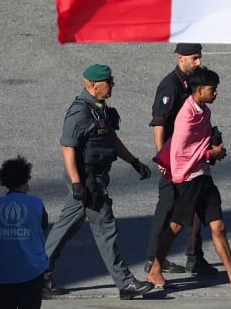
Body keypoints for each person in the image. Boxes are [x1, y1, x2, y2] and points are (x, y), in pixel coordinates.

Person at [147, 67, 231, 292]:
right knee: (175, 226)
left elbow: (199, 144)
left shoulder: (204, 111)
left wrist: (212, 148)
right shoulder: (186, 116)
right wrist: (211, 154)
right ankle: (154, 270)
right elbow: (179, 152)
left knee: (218, 225)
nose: (216, 93)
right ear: (199, 90)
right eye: (213, 89)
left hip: (203, 176)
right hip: (188, 179)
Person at [43, 64, 154, 300]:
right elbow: (68, 147)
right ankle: (125, 284)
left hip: (94, 177)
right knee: (105, 228)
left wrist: (134, 162)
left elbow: (111, 139)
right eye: (109, 81)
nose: (112, 84)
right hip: (86, 179)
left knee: (66, 227)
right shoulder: (80, 112)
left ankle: (39, 274)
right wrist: (76, 184)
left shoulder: (99, 109)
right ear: (93, 85)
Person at [145, 43, 216, 276]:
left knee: (195, 208)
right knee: (167, 208)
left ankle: (195, 256)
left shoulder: (192, 83)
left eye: (200, 58)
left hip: (191, 158)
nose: (199, 62)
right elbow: (159, 123)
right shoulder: (170, 86)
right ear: (180, 58)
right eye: (194, 58)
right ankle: (153, 260)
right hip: (174, 159)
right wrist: (162, 158)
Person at [0, 156, 48, 309]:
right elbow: (43, 226)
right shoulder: (36, 204)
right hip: (32, 271)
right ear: (25, 181)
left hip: (3, 272)